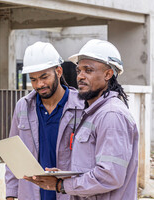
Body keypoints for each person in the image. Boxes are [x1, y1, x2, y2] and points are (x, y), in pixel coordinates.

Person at [24, 39, 139, 199]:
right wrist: (65, 175)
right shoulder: (93, 113)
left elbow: (109, 176)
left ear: (108, 74)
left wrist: (61, 185)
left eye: (88, 70)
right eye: (79, 71)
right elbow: (89, 167)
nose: (80, 77)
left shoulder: (111, 115)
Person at [6, 42, 84, 200]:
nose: (39, 85)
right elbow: (13, 155)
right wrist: (11, 194)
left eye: (44, 77)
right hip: (31, 194)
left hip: (69, 194)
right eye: (33, 79)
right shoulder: (23, 107)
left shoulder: (82, 107)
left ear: (58, 71)